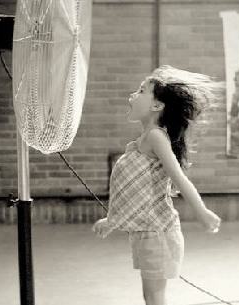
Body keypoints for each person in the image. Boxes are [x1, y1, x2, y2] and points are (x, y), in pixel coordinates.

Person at [92, 65, 222, 305]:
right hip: (145, 233)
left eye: (141, 91)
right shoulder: (142, 141)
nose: (132, 95)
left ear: (156, 106)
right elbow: (130, 193)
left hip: (158, 234)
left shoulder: (155, 137)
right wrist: (112, 220)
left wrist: (202, 213)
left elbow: (180, 179)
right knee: (150, 296)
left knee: (154, 297)